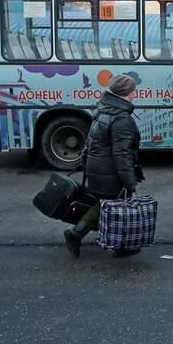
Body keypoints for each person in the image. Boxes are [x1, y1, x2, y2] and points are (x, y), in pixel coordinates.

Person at [64, 74, 144, 258]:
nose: (136, 94)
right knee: (116, 205)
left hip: (97, 167)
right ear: (125, 94)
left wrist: (86, 162)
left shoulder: (103, 108)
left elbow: (91, 141)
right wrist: (129, 180)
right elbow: (122, 153)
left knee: (105, 204)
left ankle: (82, 234)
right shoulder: (122, 118)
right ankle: (81, 235)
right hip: (110, 171)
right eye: (133, 91)